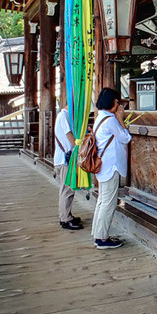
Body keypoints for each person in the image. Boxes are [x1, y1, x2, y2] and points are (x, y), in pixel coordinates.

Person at [90, 87, 131, 250]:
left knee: (102, 201)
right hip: (110, 167)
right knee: (108, 203)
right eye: (117, 101)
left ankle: (98, 234)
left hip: (103, 166)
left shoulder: (101, 117)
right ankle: (102, 238)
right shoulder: (111, 120)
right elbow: (125, 138)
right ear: (113, 102)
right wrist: (120, 118)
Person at [53, 94, 84, 231]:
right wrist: (79, 146)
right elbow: (69, 134)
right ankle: (65, 218)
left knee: (67, 188)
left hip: (64, 158)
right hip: (65, 159)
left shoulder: (63, 116)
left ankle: (66, 215)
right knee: (67, 189)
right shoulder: (64, 115)